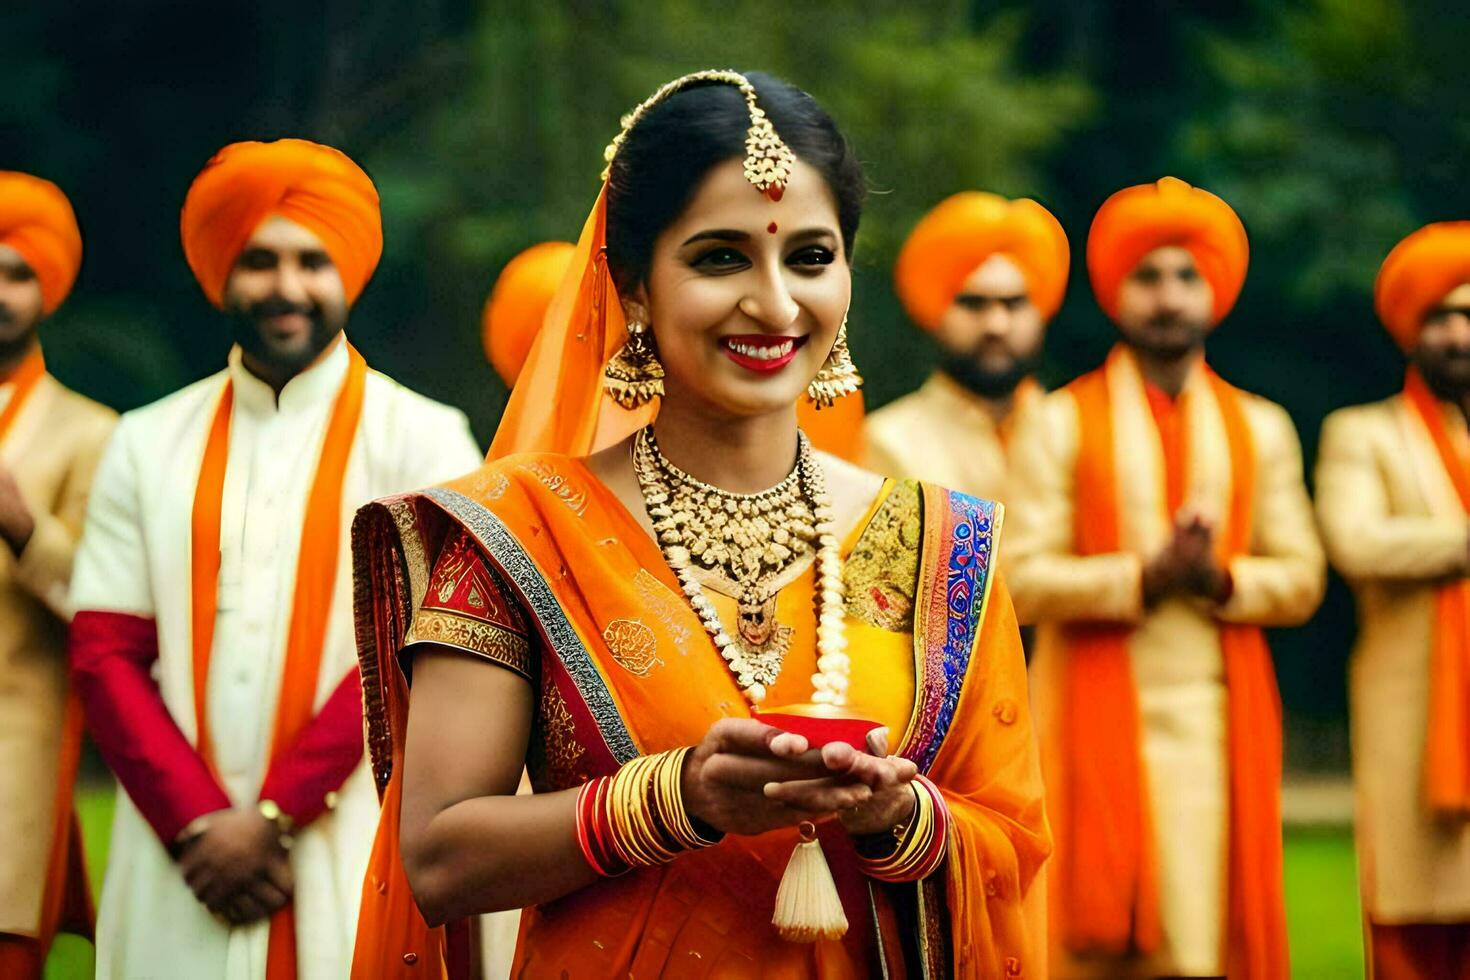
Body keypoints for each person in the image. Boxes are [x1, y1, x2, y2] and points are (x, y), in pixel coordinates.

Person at [350, 70, 1050, 978]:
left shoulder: (943, 544)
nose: (775, 304)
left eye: (809, 257)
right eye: (721, 257)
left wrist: (897, 818)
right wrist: (681, 799)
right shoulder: (520, 532)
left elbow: (1012, 844)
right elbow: (440, 855)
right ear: (634, 287)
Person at [66, 139, 483, 979]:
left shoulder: (426, 439)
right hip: (179, 851)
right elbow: (105, 650)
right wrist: (196, 825)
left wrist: (271, 818)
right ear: (222, 272)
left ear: (350, 274)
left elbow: (423, 649)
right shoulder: (146, 443)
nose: (285, 288)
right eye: (259, 260)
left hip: (353, 831)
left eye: (310, 261)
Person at [1006, 176, 1324, 978]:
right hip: (1078, 717)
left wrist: (1216, 580)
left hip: (1215, 722)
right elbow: (1018, 576)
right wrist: (1143, 577)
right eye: (1149, 276)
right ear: (1117, 293)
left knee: (1201, 934)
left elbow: (1304, 577)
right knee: (1077, 948)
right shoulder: (1058, 420)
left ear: (1215, 291)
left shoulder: (1262, 426)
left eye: (1187, 276)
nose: (1169, 297)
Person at [1316, 222, 1470, 978]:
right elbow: (1356, 541)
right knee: (1413, 918)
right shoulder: (1363, 434)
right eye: (1442, 317)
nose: (1459, 334)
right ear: (1413, 330)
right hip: (1409, 719)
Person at [0, 171, 115, 978]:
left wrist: (22, 525)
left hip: (16, 759)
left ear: (51, 287)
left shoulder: (91, 432)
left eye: (18, 273)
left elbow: (100, 599)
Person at [866, 191, 1067, 502]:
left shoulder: (1074, 428)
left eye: (1014, 304)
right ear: (935, 312)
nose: (996, 325)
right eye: (973, 304)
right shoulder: (889, 442)